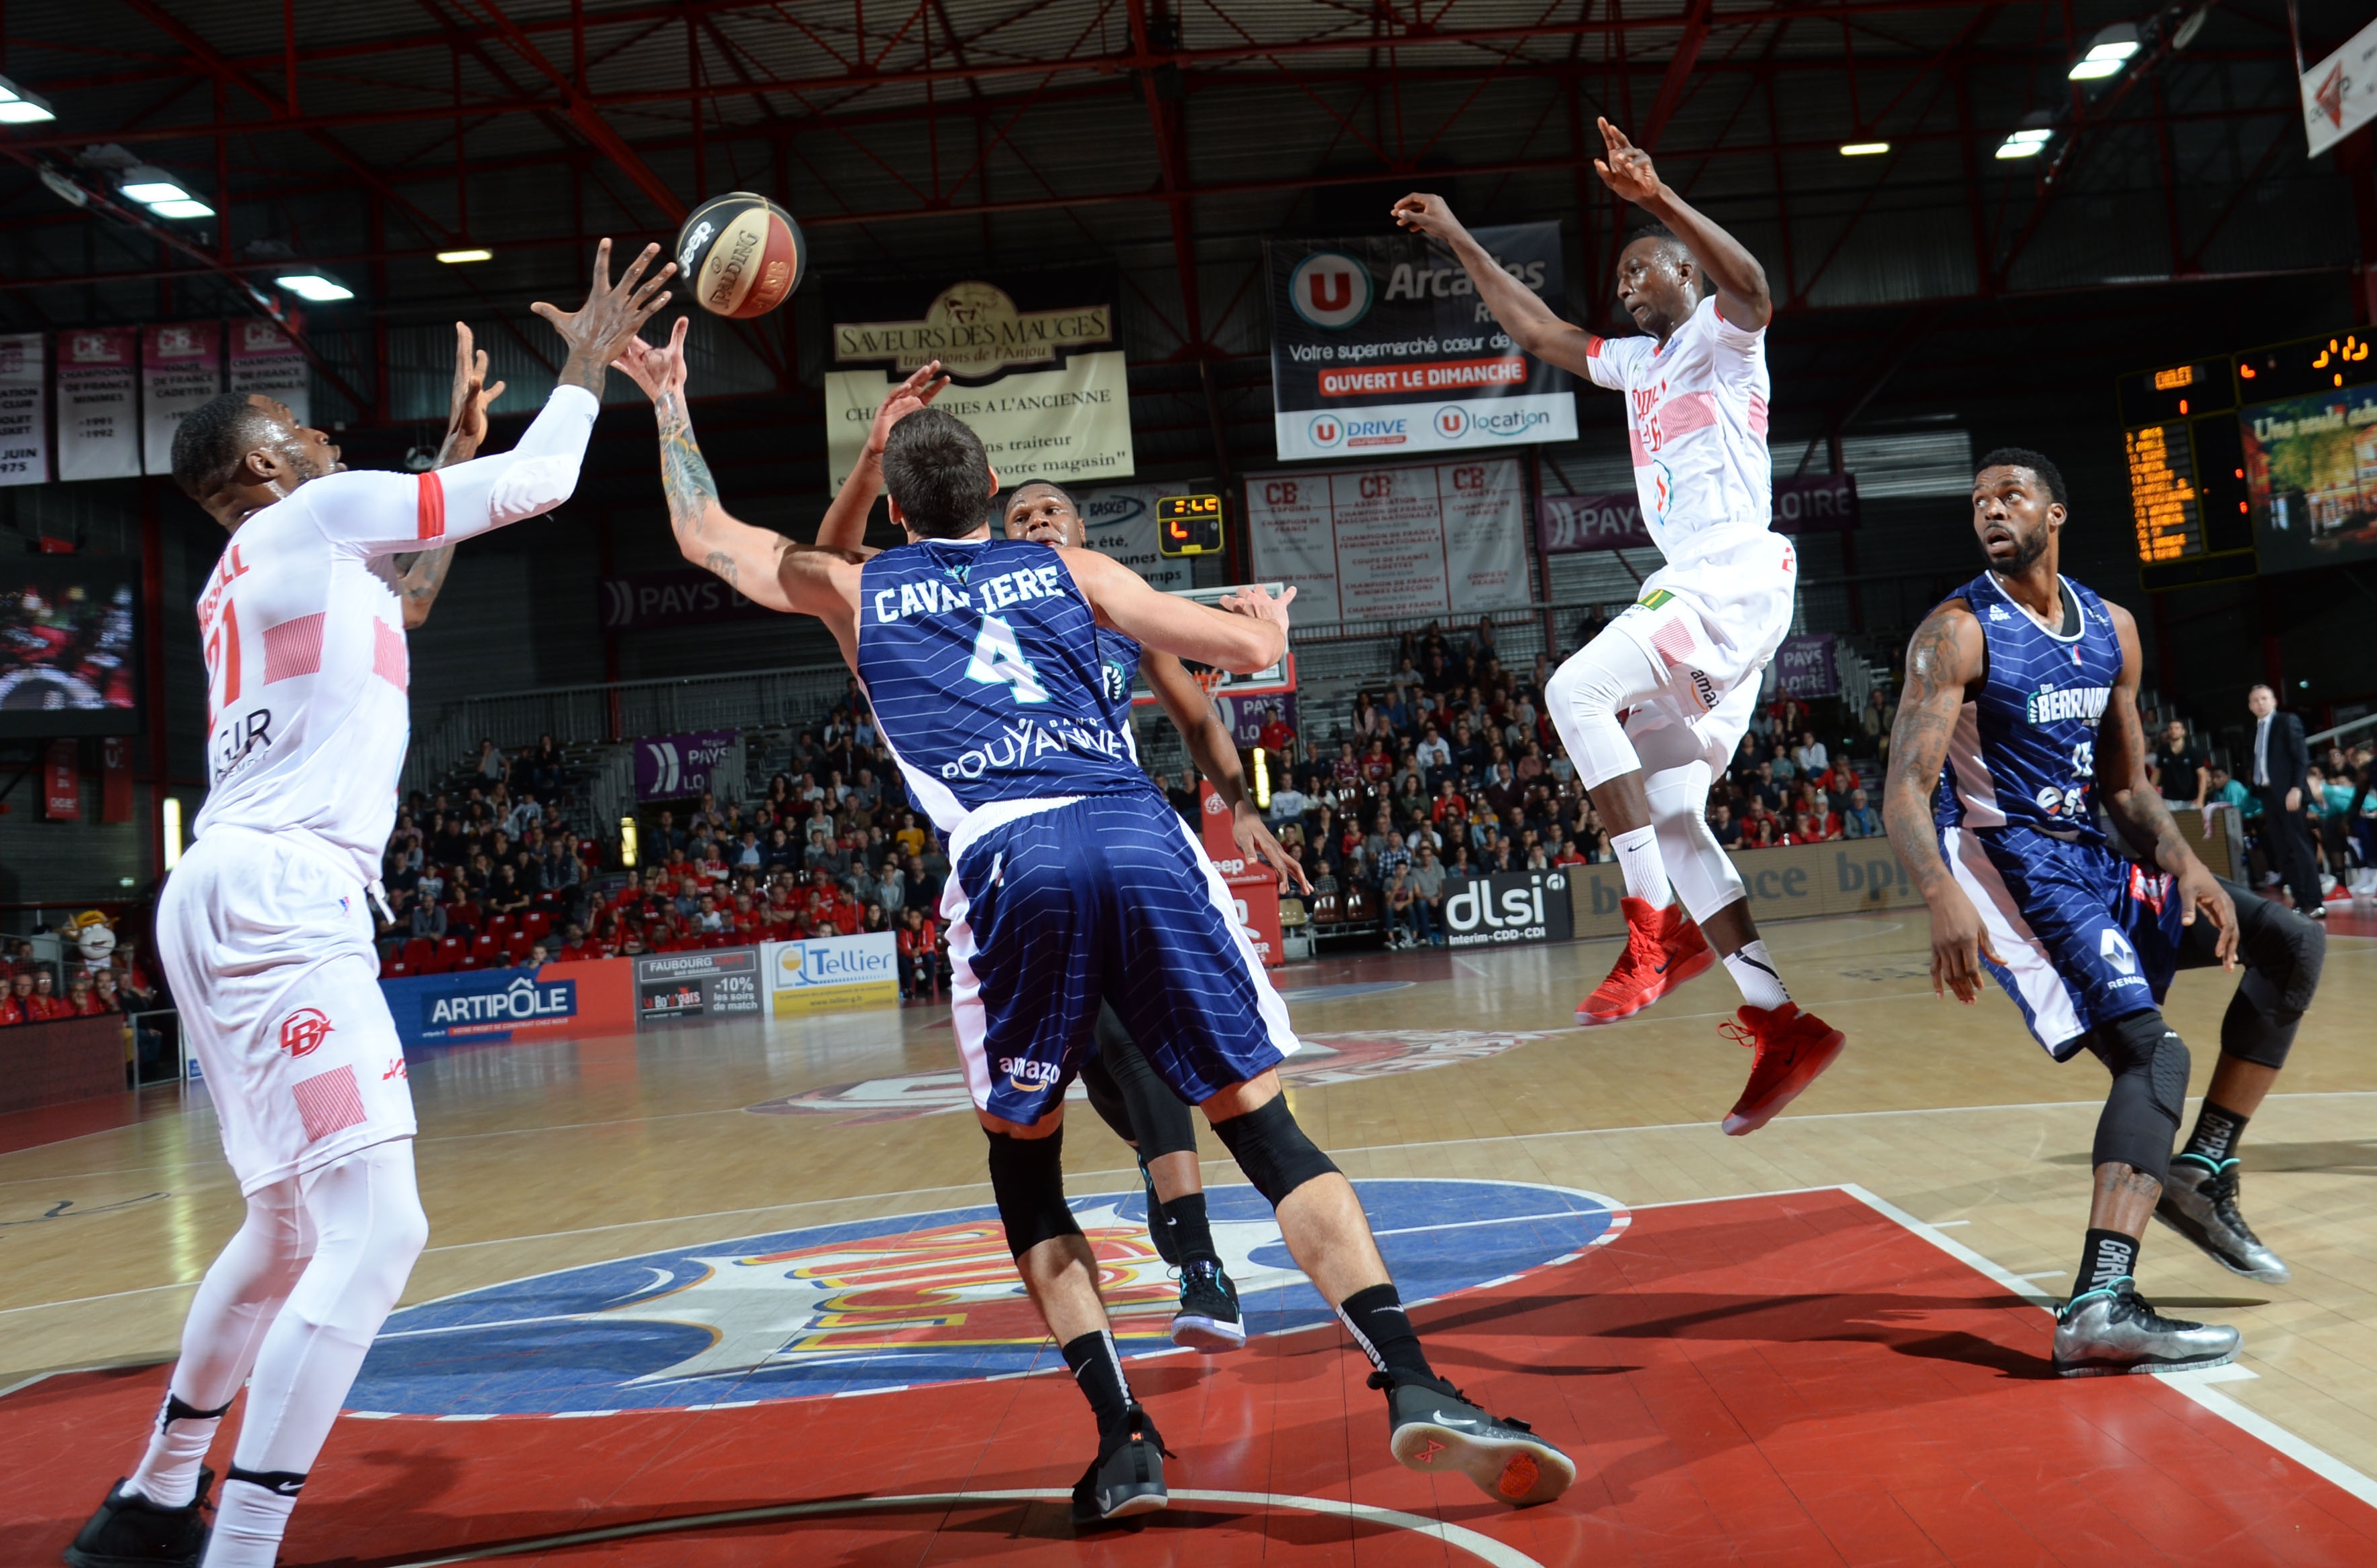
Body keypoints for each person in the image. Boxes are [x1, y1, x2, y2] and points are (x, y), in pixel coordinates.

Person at [619, 332, 1573, 1525]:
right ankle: (1415, 1379)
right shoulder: (1072, 572)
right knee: (1265, 1128)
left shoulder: (861, 587)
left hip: (1012, 860)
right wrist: (1267, 614)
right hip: (1137, 837)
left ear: (902, 512)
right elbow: (1249, 650)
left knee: (1027, 1165)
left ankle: (1126, 1437)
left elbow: (704, 532)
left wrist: (665, 399)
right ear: (990, 499)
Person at [64, 241, 671, 1568]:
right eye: (303, 427)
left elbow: (405, 598)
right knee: (377, 1224)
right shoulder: (308, 519)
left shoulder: (262, 560)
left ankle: (158, 1499)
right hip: (284, 899)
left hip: (223, 891)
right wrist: (585, 354)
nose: (329, 431)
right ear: (265, 467)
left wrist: (433, 480)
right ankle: (241, 1544)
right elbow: (541, 479)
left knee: (286, 1222)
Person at [821, 384, 1311, 1355]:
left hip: (1119, 841)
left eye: (1051, 512)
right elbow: (835, 566)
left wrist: (1243, 808)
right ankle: (1176, 1231)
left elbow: (1198, 712)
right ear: (993, 531)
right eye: (1019, 515)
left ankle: (1201, 1265)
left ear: (1081, 532)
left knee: (1145, 1058)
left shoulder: (1108, 604)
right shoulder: (942, 599)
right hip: (1016, 855)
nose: (1035, 521)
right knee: (1104, 1083)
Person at [1395, 130, 1843, 1137]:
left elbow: (1757, 281)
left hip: (1730, 575)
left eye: (1640, 268)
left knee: (1573, 692)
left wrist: (1660, 199)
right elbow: (1543, 332)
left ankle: (1652, 926)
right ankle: (1782, 1024)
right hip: (1711, 597)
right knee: (1679, 817)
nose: (1629, 286)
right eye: (1623, 277)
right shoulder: (1639, 364)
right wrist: (1460, 236)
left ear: (1683, 268)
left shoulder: (1727, 338)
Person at [1883, 448, 2326, 1380]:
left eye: (2011, 496)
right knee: (2152, 1052)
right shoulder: (1955, 632)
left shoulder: (2111, 628)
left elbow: (2127, 786)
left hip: (2094, 854)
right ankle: (2100, 1301)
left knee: (2290, 944)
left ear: (2056, 513)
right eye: (1978, 501)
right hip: (2010, 865)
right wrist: (1940, 895)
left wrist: (2185, 865)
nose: (1991, 511)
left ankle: (2201, 1169)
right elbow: (1904, 788)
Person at [2246, 682, 2321, 913]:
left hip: (2291, 793)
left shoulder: (2286, 721)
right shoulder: (2255, 729)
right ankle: (2300, 900)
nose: (2260, 703)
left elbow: (2301, 758)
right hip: (2269, 795)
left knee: (2299, 846)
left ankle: (2315, 902)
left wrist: (2297, 788)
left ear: (2274, 701)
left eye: (2264, 698)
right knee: (2282, 850)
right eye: (2256, 700)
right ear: (2250, 706)